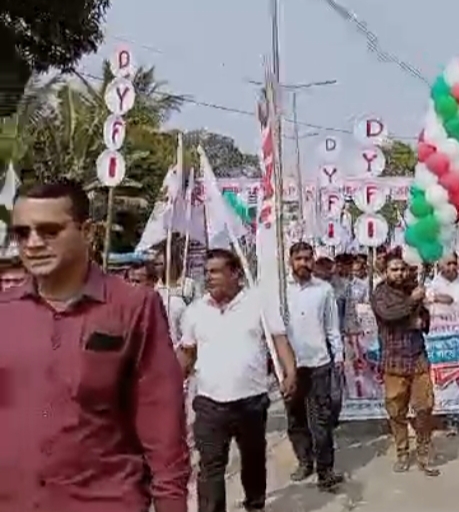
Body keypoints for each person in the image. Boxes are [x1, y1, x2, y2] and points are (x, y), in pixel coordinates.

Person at [0, 179, 190, 512]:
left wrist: (171, 503)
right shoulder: (6, 311)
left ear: (87, 232)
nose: (33, 243)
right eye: (22, 233)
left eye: (49, 231)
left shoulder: (134, 308)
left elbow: (163, 425)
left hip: (104, 501)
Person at [179, 248, 298, 512]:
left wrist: (290, 372)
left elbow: (279, 339)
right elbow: (187, 353)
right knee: (210, 467)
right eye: (206, 272)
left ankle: (255, 505)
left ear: (235, 273)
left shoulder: (259, 303)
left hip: (251, 401)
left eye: (215, 271)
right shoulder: (195, 311)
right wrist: (170, 385)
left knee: (253, 460)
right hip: (209, 403)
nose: (208, 277)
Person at [371, 252, 440, 476]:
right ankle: (402, 452)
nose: (399, 273)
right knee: (396, 410)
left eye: (402, 269)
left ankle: (424, 453)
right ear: (385, 272)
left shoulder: (413, 288)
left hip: (417, 357)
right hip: (394, 361)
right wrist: (412, 301)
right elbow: (389, 315)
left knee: (425, 407)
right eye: (394, 270)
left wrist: (422, 320)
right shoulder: (380, 294)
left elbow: (424, 316)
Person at [284, 242, 346, 490]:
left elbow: (332, 326)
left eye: (307, 258)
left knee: (321, 420)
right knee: (295, 419)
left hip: (319, 362)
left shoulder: (324, 290)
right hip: (290, 366)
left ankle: (325, 470)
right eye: (298, 258)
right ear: (290, 261)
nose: (303, 263)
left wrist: (338, 356)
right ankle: (304, 461)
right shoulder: (280, 290)